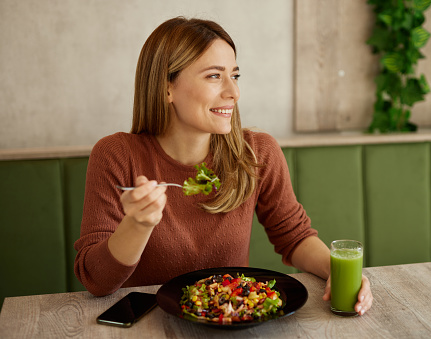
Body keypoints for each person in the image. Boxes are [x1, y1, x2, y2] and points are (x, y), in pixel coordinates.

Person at [74, 16, 373, 316]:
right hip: (152, 325)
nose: (234, 92)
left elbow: (294, 237)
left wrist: (334, 270)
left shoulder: (258, 152)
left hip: (234, 324)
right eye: (214, 76)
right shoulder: (116, 155)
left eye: (235, 75)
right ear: (167, 88)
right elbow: (97, 281)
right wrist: (137, 225)